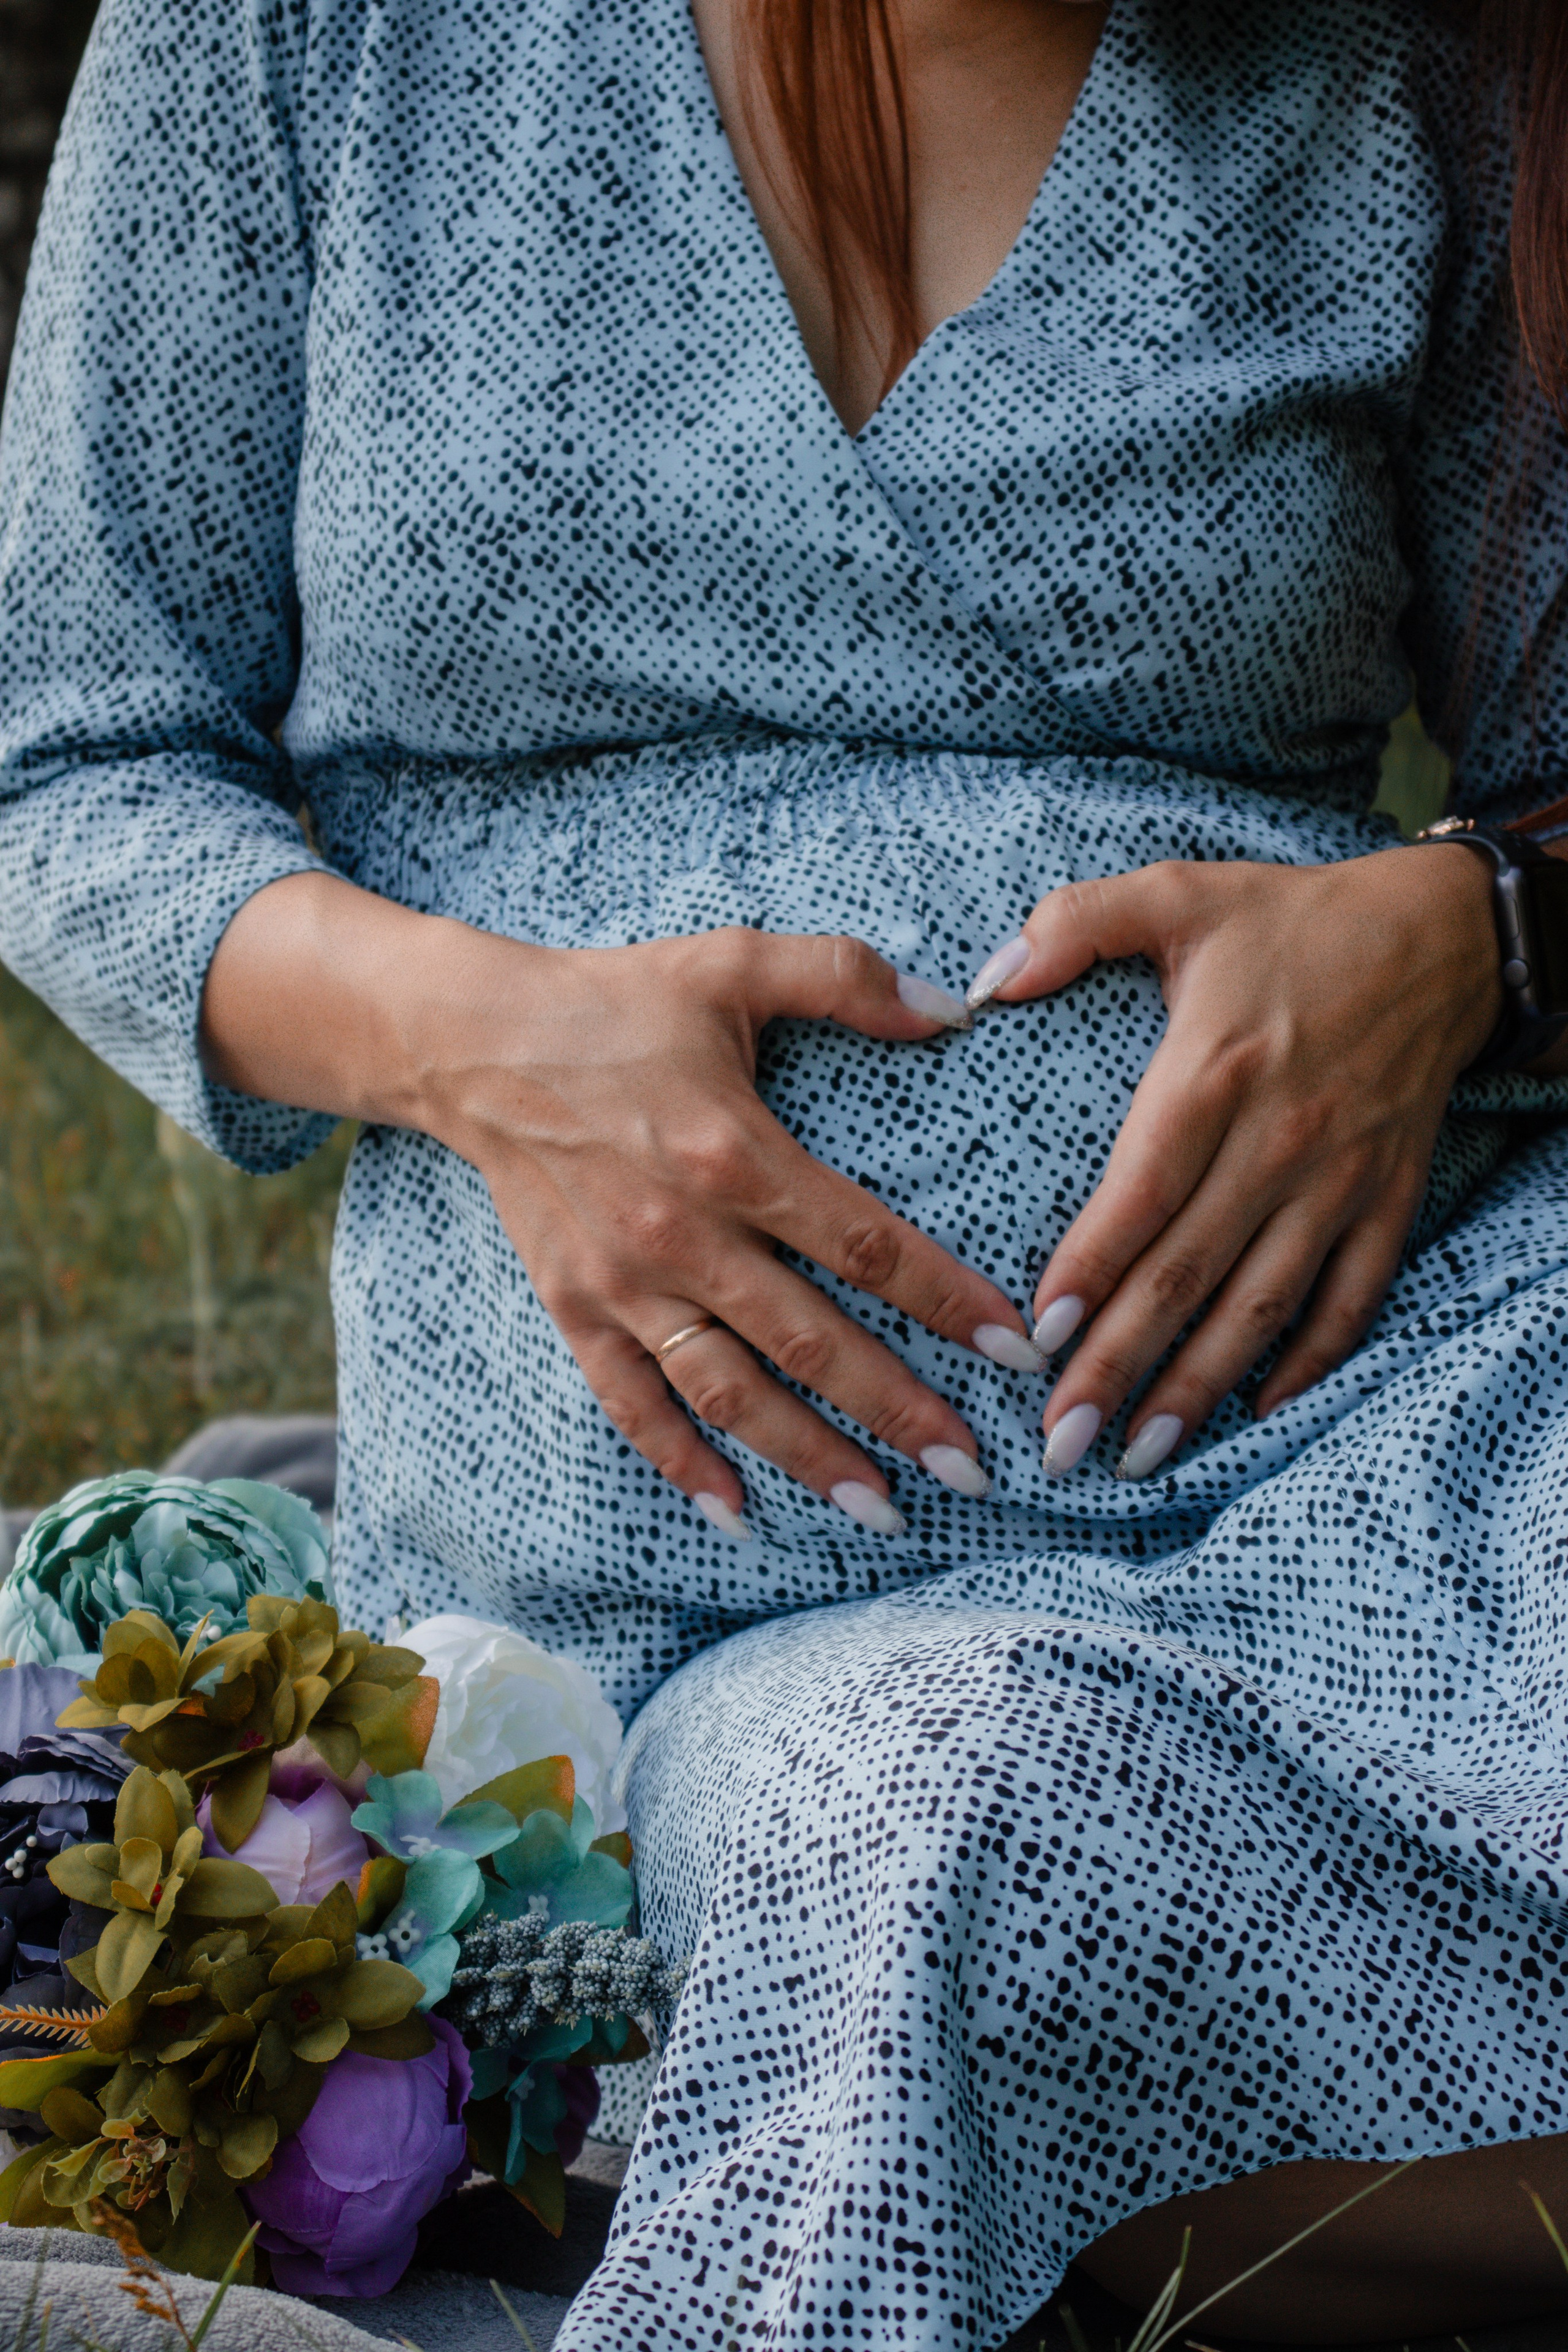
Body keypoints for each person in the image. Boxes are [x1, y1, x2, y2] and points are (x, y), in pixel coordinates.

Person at [1, 0, 1566, 2336]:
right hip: (767, 1609)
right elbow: (65, 753)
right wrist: (480, 1044)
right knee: (921, 1846)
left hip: (1430, 1397)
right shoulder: (307, 38)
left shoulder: (1411, 67)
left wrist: (1468, 923)